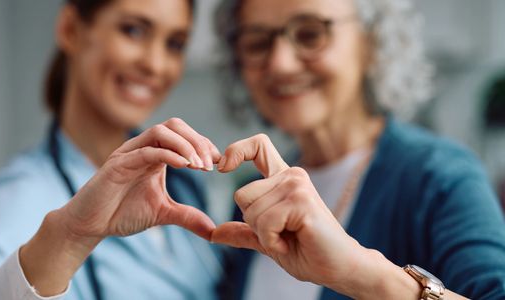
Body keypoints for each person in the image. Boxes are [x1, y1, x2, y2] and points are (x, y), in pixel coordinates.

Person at [212, 0, 505, 299]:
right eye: (257, 43)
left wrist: (360, 273)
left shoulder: (441, 176)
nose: (280, 63)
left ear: (372, 42)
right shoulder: (254, 194)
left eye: (310, 34)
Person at [0, 0, 225, 299]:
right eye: (133, 30)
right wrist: (70, 237)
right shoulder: (23, 192)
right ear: (70, 29)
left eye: (174, 44)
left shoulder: (183, 180)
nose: (155, 64)